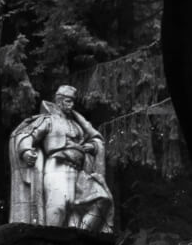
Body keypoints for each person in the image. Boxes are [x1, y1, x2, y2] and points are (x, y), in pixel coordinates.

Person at [8, 85, 115, 233]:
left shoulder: (78, 124)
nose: (71, 104)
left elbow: (93, 140)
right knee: (58, 207)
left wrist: (92, 146)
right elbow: (25, 134)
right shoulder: (47, 120)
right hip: (57, 166)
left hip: (79, 170)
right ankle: (51, 242)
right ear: (59, 102)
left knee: (102, 199)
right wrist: (26, 151)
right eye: (67, 101)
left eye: (72, 101)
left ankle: (79, 236)